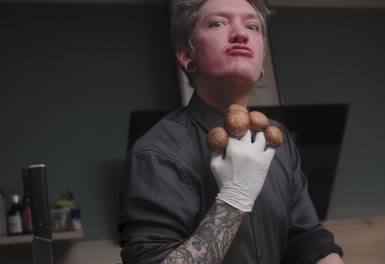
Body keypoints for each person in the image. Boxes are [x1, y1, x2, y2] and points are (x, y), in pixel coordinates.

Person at [118, 0, 344, 263]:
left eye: (252, 26)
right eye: (218, 23)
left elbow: (306, 239)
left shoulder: (277, 138)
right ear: (187, 56)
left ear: (262, 59)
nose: (241, 33)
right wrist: (235, 198)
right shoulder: (156, 153)